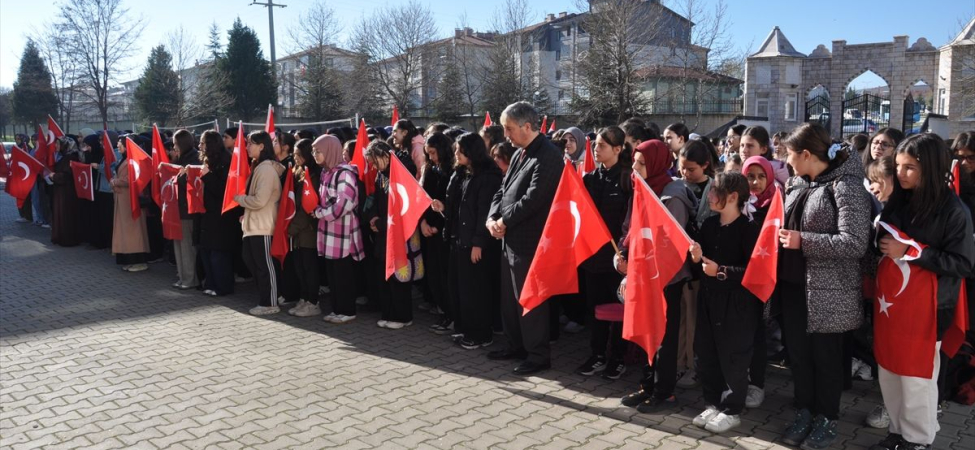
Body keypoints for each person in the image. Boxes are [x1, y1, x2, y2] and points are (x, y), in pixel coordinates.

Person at [869, 133, 974, 450]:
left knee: (917, 378)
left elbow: (962, 263)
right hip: (891, 306)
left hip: (928, 310)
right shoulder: (900, 200)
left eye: (909, 168)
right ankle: (898, 434)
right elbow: (882, 243)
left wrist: (911, 251)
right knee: (889, 371)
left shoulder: (954, 211)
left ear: (929, 167)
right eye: (898, 166)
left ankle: (918, 440)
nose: (900, 174)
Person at [777, 123, 871, 450]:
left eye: (790, 154)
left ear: (806, 154)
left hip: (829, 293)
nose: (786, 161)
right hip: (793, 288)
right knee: (799, 357)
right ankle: (805, 410)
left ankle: (827, 419)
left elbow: (855, 243)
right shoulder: (797, 184)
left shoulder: (846, 186)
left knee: (826, 361)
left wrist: (804, 241)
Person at [620, 139, 698, 412]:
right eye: (635, 161)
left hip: (666, 277)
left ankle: (665, 393)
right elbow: (631, 227)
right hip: (644, 273)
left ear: (654, 164)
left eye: (641, 163)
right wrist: (623, 253)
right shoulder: (641, 188)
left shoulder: (672, 194)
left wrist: (648, 268)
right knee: (646, 329)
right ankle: (648, 385)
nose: (635, 167)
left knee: (664, 336)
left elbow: (670, 243)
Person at [486, 101, 563, 375]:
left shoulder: (549, 156)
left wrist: (504, 221)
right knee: (510, 301)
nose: (505, 135)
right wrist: (492, 218)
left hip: (531, 241)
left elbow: (535, 199)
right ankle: (515, 345)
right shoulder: (519, 153)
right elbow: (502, 189)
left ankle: (538, 355)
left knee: (530, 300)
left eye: (509, 129)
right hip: (510, 239)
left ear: (527, 126)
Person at [687, 172, 761, 433]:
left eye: (716, 191)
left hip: (737, 304)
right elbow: (701, 266)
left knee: (734, 355)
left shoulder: (748, 230)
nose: (710, 196)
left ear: (733, 197)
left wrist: (721, 271)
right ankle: (712, 403)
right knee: (707, 351)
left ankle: (732, 408)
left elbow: (754, 271)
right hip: (709, 299)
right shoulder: (708, 226)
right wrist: (696, 258)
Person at [433, 132, 503, 349]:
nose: (455, 153)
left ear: (471, 151)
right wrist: (443, 208)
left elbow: (485, 213)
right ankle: (464, 330)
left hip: (475, 244)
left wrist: (478, 244)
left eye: (459, 150)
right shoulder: (461, 174)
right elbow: (458, 207)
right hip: (457, 240)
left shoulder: (488, 177)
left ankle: (481, 334)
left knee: (476, 291)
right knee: (458, 289)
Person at [575, 126, 632, 380]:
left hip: (618, 259)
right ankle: (597, 354)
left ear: (618, 150)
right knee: (596, 308)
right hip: (593, 256)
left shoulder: (627, 179)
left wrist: (625, 253)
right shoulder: (589, 179)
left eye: (602, 145)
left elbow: (630, 221)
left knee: (619, 309)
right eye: (595, 144)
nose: (596, 149)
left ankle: (618, 357)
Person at [365, 140, 422, 329]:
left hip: (399, 232)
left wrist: (380, 223)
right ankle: (389, 313)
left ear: (384, 156)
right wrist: (373, 217)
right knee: (386, 274)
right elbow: (376, 199)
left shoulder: (401, 172)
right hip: (384, 231)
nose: (373, 166)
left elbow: (402, 206)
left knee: (399, 277)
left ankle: (403, 316)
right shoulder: (380, 175)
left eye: (374, 161)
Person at [309, 135, 365, 323]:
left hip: (343, 234)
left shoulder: (344, 174)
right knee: (333, 274)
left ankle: (347, 311)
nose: (315, 155)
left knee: (343, 275)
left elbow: (344, 205)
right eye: (314, 151)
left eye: (318, 151)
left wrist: (319, 213)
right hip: (329, 233)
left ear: (330, 151)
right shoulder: (327, 173)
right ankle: (337, 309)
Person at [234, 131, 285, 316]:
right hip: (254, 224)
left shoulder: (265, 169)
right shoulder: (259, 167)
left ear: (262, 146)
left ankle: (270, 302)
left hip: (263, 225)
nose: (247, 147)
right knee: (252, 261)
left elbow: (259, 200)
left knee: (265, 266)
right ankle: (272, 295)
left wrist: (239, 199)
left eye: (250, 143)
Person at [196, 130, 239, 297]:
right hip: (207, 213)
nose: (200, 146)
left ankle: (223, 286)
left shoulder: (226, 161)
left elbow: (224, 191)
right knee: (206, 250)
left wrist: (207, 176)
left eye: (203, 143)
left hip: (222, 216)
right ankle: (211, 283)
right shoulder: (209, 161)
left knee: (218, 253)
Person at [283, 138, 323, 317]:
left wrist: (293, 227)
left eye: (299, 155)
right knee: (300, 266)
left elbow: (308, 207)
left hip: (308, 230)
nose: (296, 158)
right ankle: (304, 298)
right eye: (294, 154)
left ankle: (313, 302)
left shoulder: (314, 175)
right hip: (298, 232)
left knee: (310, 267)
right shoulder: (297, 172)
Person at [420, 133, 455, 332]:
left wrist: (439, 225)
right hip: (429, 230)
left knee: (445, 276)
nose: (431, 157)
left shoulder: (453, 171)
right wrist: (423, 223)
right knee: (433, 276)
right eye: (428, 153)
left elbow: (453, 203)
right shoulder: (429, 169)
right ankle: (443, 311)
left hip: (445, 232)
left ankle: (451, 314)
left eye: (433, 153)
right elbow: (423, 198)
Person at [111, 135, 150, 272]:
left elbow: (131, 179)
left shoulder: (132, 161)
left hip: (130, 201)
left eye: (120, 143)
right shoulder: (124, 160)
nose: (118, 146)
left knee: (133, 231)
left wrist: (115, 182)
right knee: (125, 231)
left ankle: (139, 261)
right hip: (123, 200)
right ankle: (128, 259)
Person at [172, 130, 201, 289]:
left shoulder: (194, 159)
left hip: (188, 210)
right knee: (179, 245)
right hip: (177, 208)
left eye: (175, 144)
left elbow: (193, 185)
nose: (174, 147)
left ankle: (190, 279)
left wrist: (180, 176)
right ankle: (182, 276)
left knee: (187, 246)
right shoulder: (181, 158)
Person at [50, 136, 82, 247]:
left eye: (59, 144)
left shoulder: (70, 158)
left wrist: (54, 176)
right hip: (62, 191)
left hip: (67, 192)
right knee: (62, 214)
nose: (56, 146)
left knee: (66, 215)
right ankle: (61, 237)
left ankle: (67, 239)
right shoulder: (64, 157)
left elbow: (67, 176)